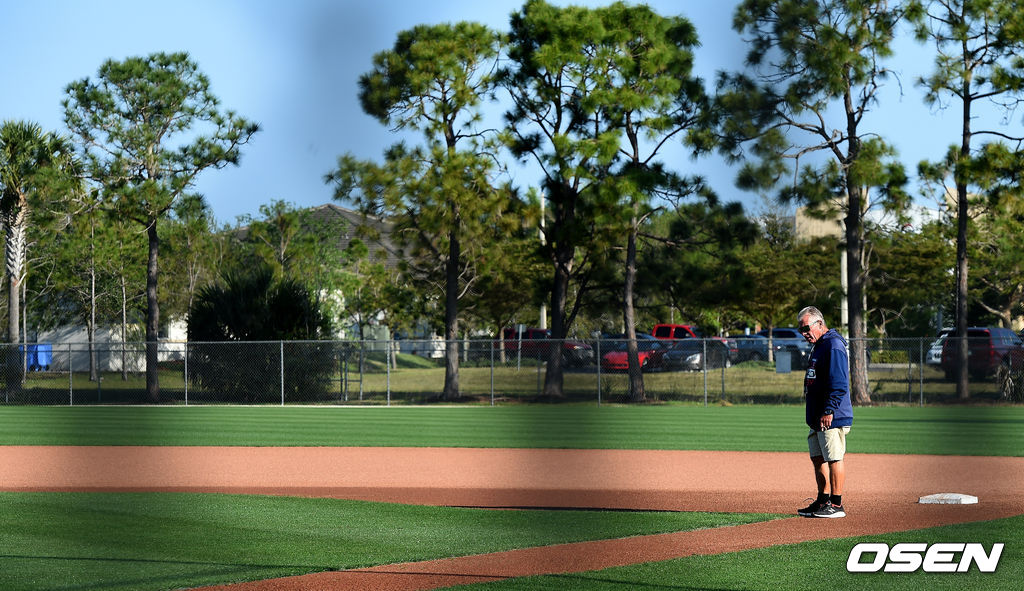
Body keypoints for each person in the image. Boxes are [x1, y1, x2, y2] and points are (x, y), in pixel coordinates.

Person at [795, 306, 852, 518]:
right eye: (801, 329)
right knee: (818, 458)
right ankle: (823, 500)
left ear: (820, 323)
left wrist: (829, 409)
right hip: (817, 416)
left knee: (834, 457)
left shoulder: (833, 345)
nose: (804, 333)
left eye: (806, 328)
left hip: (831, 415)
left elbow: (839, 382)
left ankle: (836, 505)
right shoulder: (820, 345)